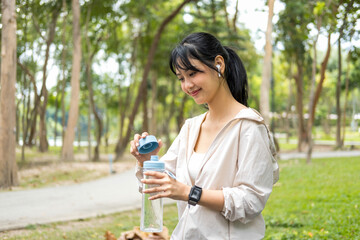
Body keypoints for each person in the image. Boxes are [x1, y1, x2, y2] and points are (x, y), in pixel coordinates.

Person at [130, 32, 279, 240]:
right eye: (181, 78)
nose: (187, 85)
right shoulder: (190, 128)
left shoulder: (248, 126)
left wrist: (189, 193)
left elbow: (251, 201)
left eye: (193, 73)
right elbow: (159, 185)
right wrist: (147, 161)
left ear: (219, 64)